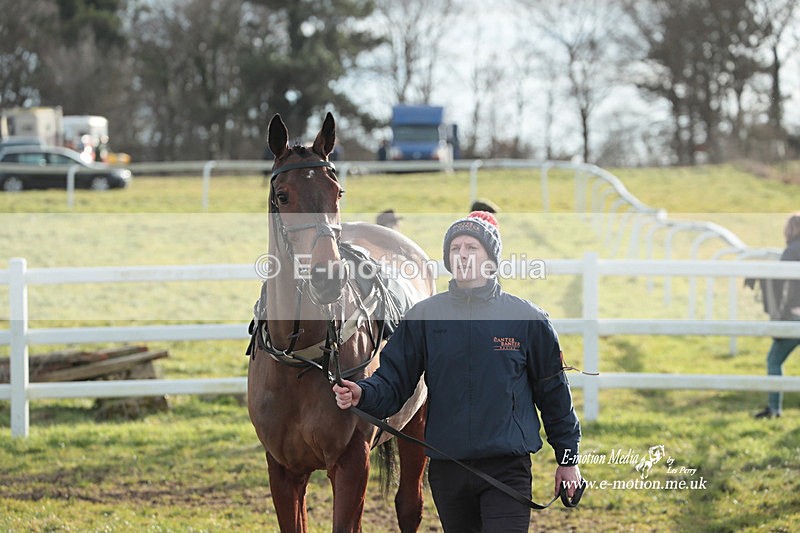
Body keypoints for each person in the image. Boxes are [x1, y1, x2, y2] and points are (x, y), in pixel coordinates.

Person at [333, 211, 582, 532]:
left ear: (491, 258)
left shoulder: (528, 319)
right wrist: (362, 393)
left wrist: (568, 459)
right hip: (448, 470)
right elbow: (394, 382)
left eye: (472, 248)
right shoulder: (423, 318)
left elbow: (554, 394)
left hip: (506, 470)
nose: (463, 255)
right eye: (456, 249)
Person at [754, 213, 800, 419]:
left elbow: (782, 288)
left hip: (794, 315)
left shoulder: (791, 251)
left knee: (774, 360)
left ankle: (774, 409)